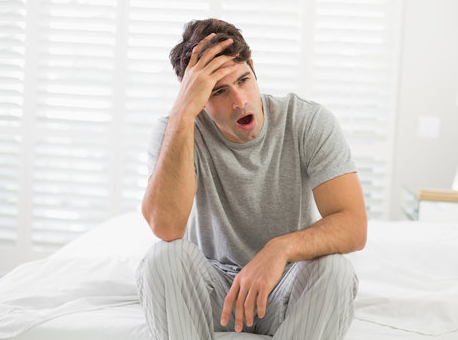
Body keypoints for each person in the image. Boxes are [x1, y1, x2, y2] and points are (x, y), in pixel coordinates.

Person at [136, 18, 367, 340]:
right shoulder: (175, 130)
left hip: (284, 290)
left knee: (335, 269)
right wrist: (182, 114)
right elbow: (166, 227)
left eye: (243, 80)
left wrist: (280, 249)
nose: (240, 100)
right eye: (218, 91)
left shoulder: (307, 121)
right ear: (194, 95)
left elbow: (353, 226)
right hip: (214, 292)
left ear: (253, 69)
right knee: (163, 258)